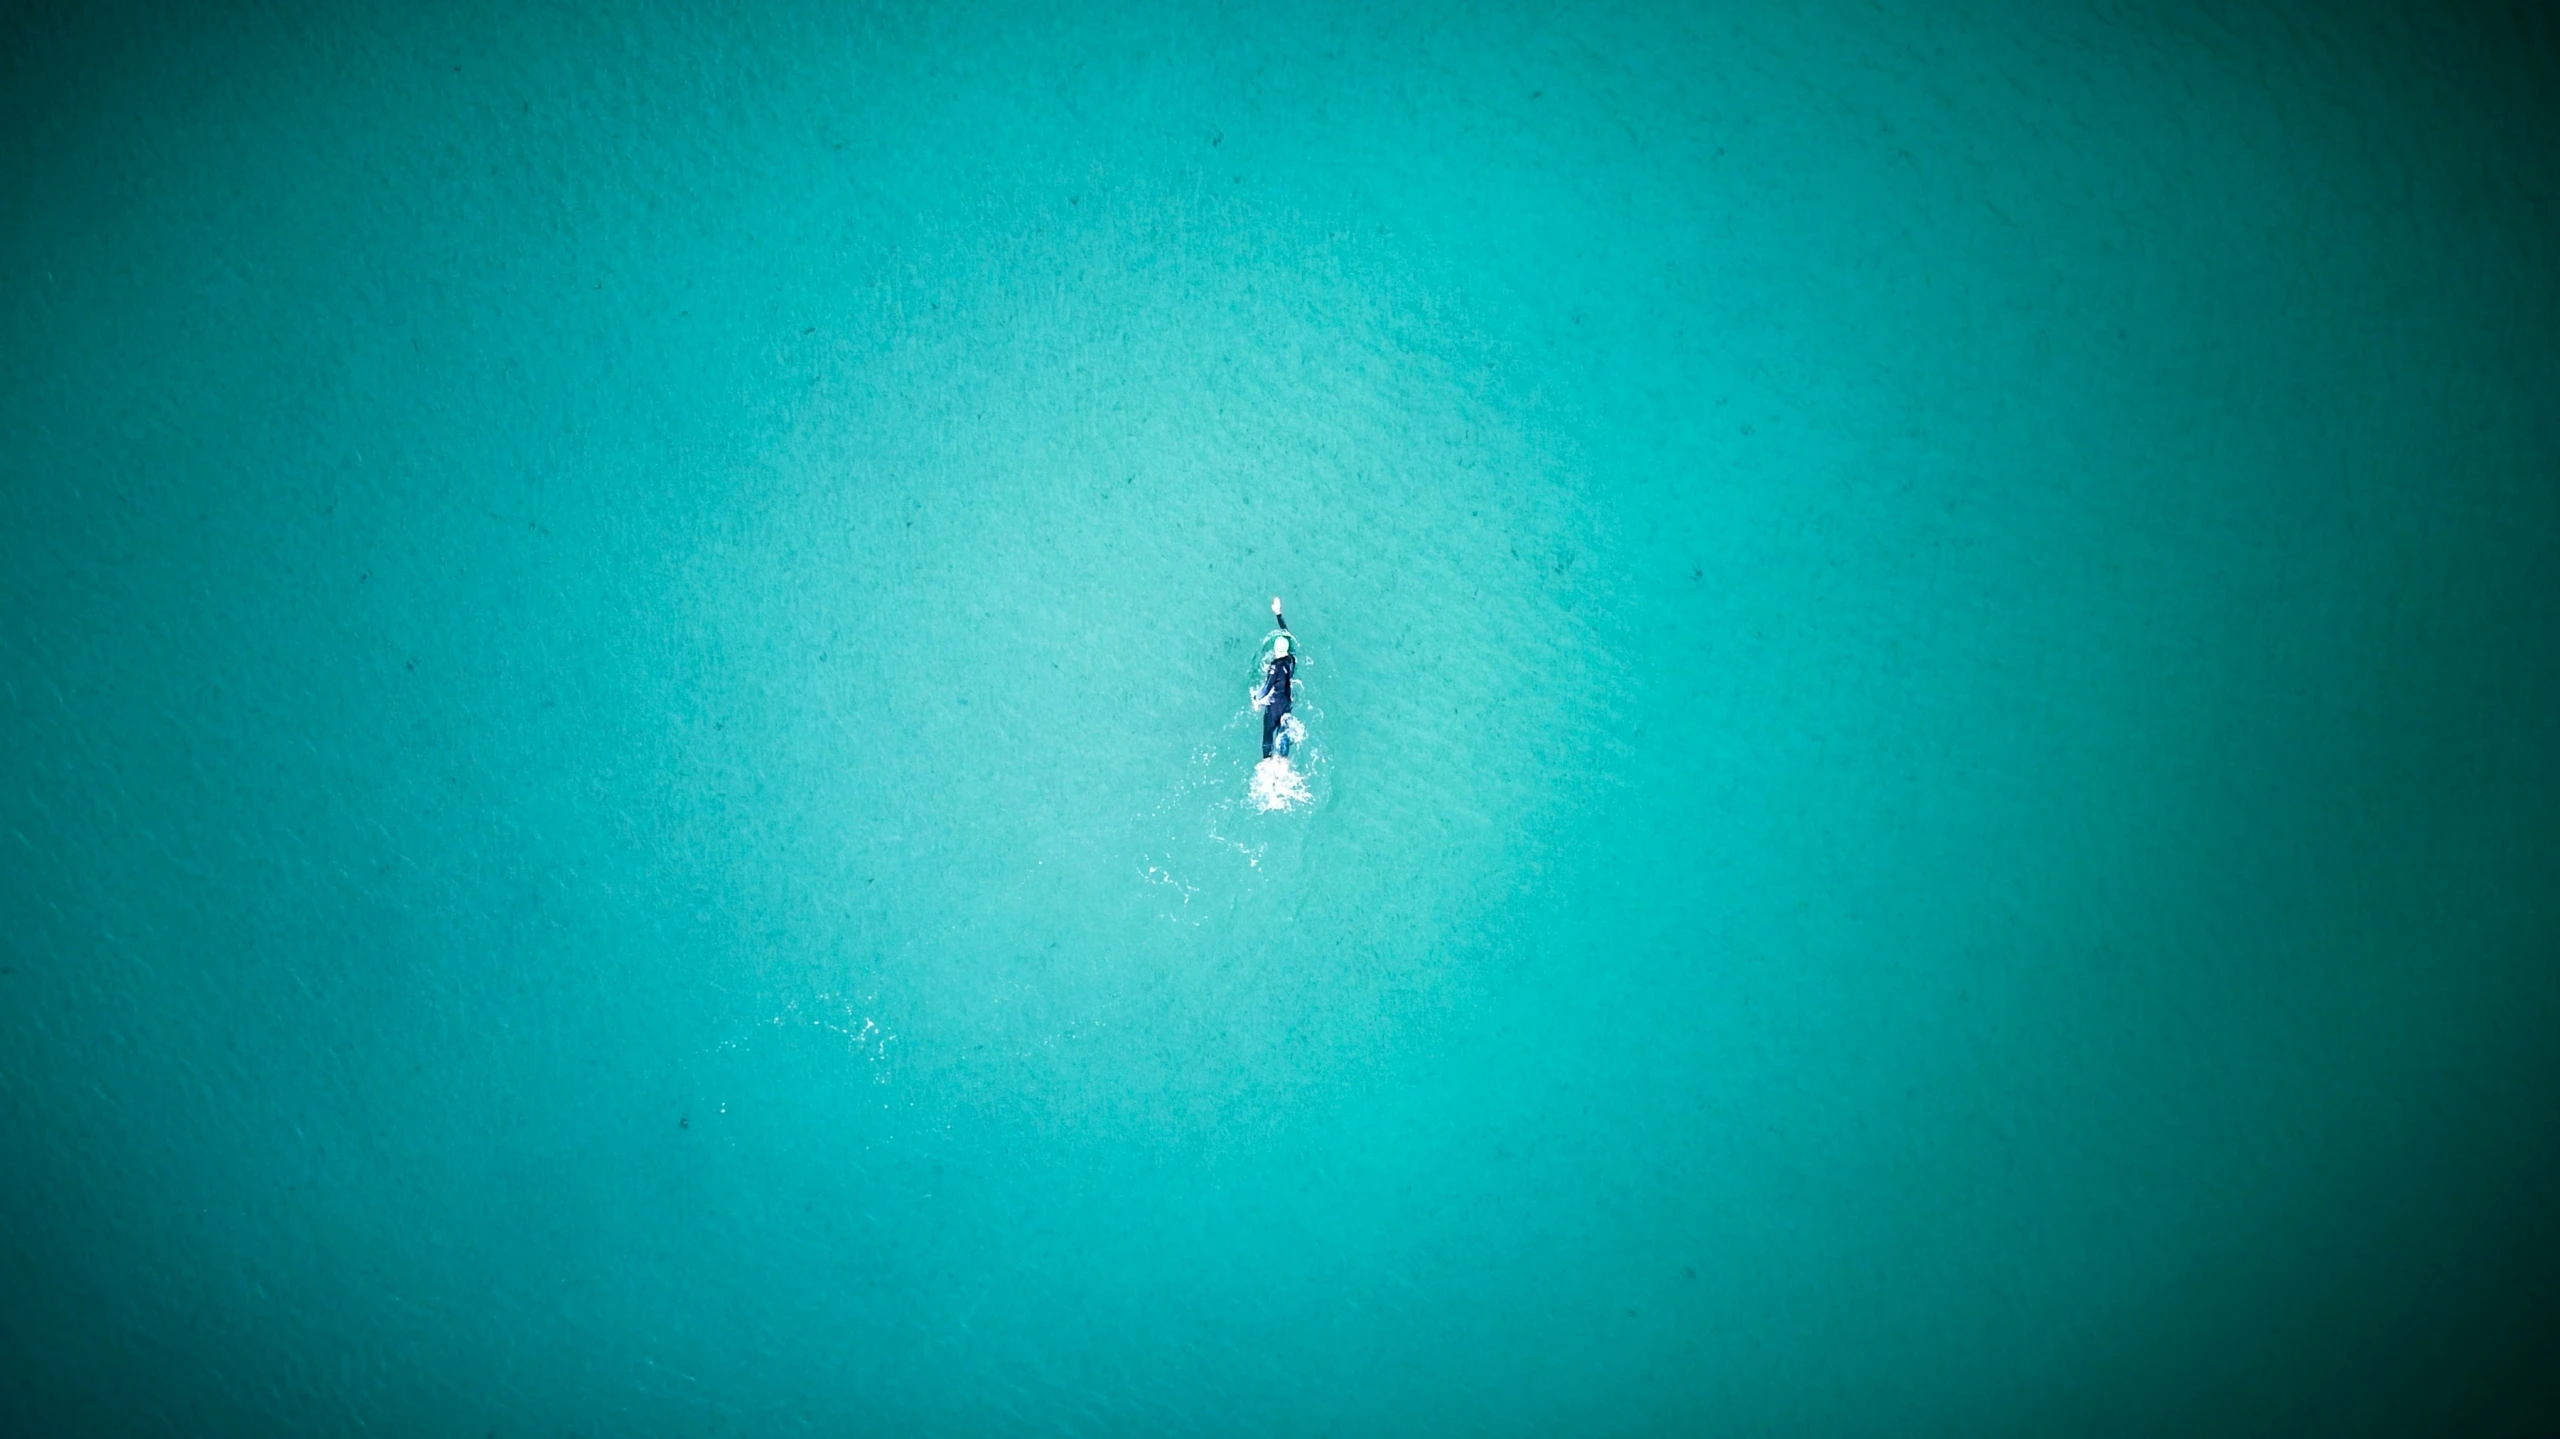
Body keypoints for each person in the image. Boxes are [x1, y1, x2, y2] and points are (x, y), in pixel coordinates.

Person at [1256, 595, 1297, 759]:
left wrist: (1255, 698)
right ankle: (1284, 761)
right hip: (1287, 703)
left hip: (1274, 706)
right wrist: (1278, 614)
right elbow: (1286, 633)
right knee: (1283, 733)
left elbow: (1266, 689)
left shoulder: (1275, 666)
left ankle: (1266, 761)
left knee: (1267, 736)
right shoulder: (1291, 659)